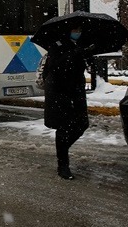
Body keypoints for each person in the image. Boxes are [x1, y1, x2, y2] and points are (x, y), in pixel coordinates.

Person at [42, 25, 93, 180]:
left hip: (76, 90)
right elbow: (56, 66)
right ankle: (63, 165)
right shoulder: (57, 45)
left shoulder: (81, 44)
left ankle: (62, 149)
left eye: (79, 30)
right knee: (64, 127)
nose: (78, 32)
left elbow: (80, 67)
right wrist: (75, 54)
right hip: (60, 91)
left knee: (82, 123)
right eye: (75, 29)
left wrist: (87, 56)